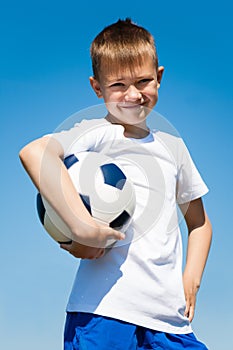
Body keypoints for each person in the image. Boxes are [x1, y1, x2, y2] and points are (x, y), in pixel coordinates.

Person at [19, 18, 212, 350]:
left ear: (160, 78)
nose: (133, 94)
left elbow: (199, 224)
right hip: (102, 312)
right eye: (118, 85)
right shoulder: (97, 132)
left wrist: (191, 279)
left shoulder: (173, 147)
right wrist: (84, 230)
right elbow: (35, 153)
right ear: (97, 88)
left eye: (143, 81)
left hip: (170, 321)